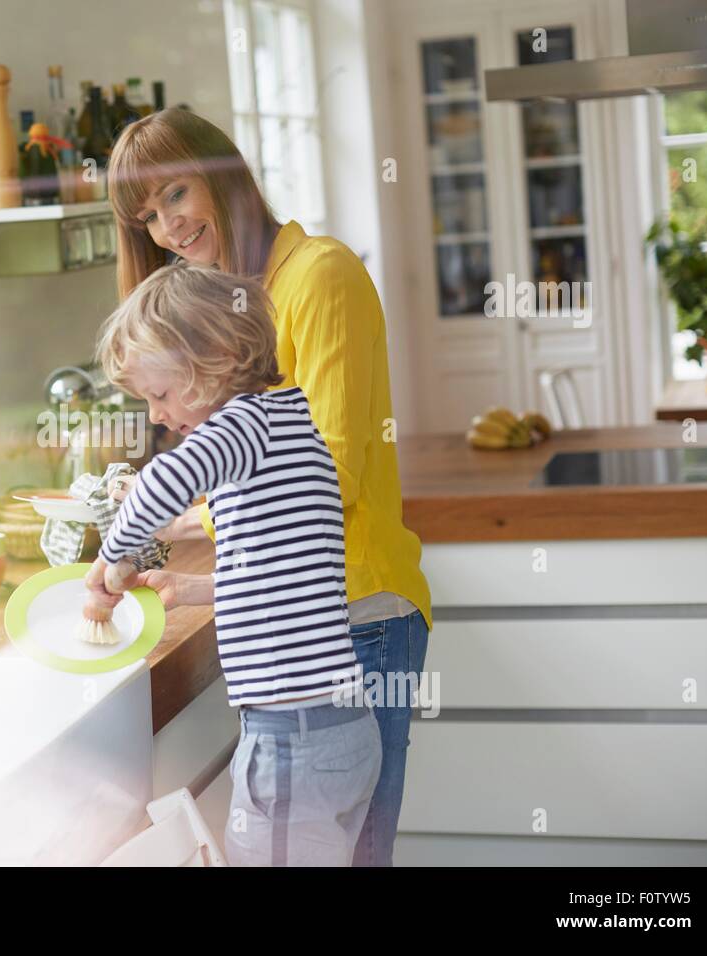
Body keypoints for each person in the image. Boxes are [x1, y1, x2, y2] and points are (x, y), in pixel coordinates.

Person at [106, 108, 431, 867]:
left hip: (358, 612)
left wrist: (156, 531)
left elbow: (333, 469)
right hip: (310, 616)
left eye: (176, 195)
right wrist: (195, 540)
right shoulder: (233, 298)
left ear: (224, 176)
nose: (167, 228)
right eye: (147, 217)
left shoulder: (318, 276)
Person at [86, 262, 381, 867]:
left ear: (217, 359)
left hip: (291, 739)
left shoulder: (242, 425)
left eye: (160, 393)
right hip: (340, 731)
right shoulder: (291, 424)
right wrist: (195, 588)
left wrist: (110, 563)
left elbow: (165, 480)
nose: (157, 416)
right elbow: (290, 576)